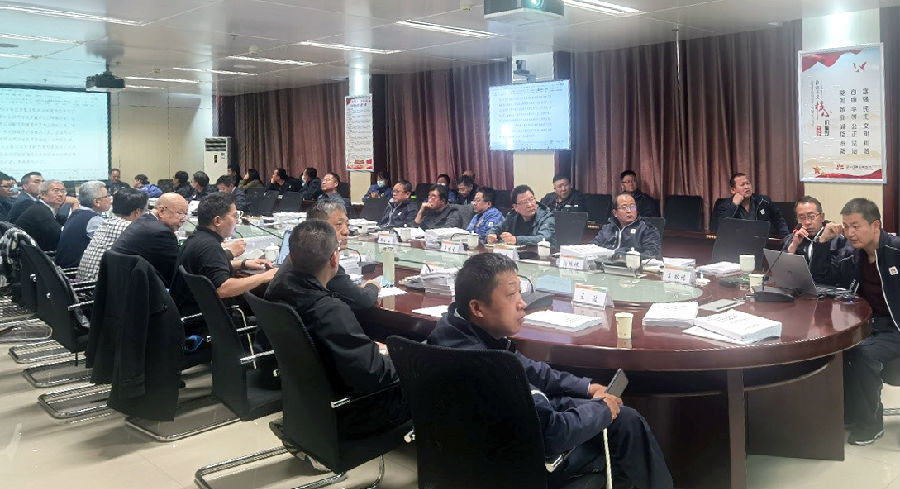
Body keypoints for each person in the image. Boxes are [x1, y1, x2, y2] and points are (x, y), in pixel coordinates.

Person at [427, 253, 673, 489]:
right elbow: (553, 433)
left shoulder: (452, 332)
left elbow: (532, 370)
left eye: (520, 292)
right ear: (477, 308)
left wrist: (586, 388)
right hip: (519, 466)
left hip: (473, 451)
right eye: (511, 295)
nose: (523, 303)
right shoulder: (492, 366)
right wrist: (602, 410)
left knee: (622, 417)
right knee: (624, 426)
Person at [265, 220, 409, 438]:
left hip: (308, 402)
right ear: (334, 258)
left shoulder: (276, 288)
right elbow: (374, 376)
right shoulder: (329, 311)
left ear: (291, 257)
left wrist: (366, 349)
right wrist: (400, 357)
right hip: (350, 411)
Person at [832, 198, 899, 446]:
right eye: (846, 226)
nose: (849, 233)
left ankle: (871, 424)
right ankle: (852, 414)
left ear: (875, 225)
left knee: (862, 353)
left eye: (856, 226)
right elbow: (826, 279)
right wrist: (821, 243)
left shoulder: (895, 251)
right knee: (841, 348)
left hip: (895, 328)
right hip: (872, 324)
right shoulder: (854, 256)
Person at [169, 193, 276, 317]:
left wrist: (243, 263)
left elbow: (206, 266)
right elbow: (223, 289)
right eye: (235, 216)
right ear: (218, 221)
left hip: (188, 310)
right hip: (206, 318)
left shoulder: (196, 238)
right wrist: (265, 276)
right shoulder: (210, 247)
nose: (237, 221)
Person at [304, 200, 381, 311]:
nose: (346, 231)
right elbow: (364, 299)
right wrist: (372, 286)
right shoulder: (324, 262)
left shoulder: (301, 253)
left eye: (347, 225)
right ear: (318, 228)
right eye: (339, 225)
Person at [111, 192, 188, 286]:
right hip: (137, 290)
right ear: (162, 211)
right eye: (180, 214)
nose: (184, 219)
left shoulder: (143, 220)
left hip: (120, 287)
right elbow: (174, 275)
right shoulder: (161, 233)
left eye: (185, 214)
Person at [77, 188, 147, 283]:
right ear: (137, 212)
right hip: (99, 287)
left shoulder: (105, 223)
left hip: (81, 284)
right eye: (145, 210)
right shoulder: (131, 228)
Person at [780, 196, 851, 285]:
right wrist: (793, 247)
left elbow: (834, 277)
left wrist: (822, 242)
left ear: (822, 217)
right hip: (798, 288)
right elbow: (780, 273)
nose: (807, 222)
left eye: (812, 216)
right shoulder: (792, 239)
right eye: (802, 217)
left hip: (828, 289)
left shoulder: (838, 239)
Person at [55, 181, 111, 268]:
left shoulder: (76, 212)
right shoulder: (94, 220)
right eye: (107, 196)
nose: (110, 199)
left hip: (62, 268)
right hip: (75, 270)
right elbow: (109, 248)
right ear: (97, 202)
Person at [713, 172, 788, 237]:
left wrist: (786, 238)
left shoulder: (764, 201)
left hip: (763, 243)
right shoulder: (724, 206)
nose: (747, 187)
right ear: (733, 190)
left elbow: (779, 221)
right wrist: (734, 205)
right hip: (737, 244)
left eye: (748, 183)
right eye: (742, 185)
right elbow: (721, 227)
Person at [592, 193, 661, 258]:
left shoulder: (647, 229)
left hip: (632, 265)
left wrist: (624, 254)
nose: (629, 211)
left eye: (632, 207)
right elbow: (594, 245)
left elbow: (652, 253)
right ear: (615, 213)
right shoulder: (608, 228)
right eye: (624, 207)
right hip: (605, 264)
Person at [487, 185, 556, 246]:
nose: (529, 205)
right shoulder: (512, 216)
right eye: (524, 202)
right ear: (516, 207)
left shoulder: (546, 216)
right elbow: (496, 229)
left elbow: (543, 238)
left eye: (531, 199)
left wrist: (516, 240)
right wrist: (492, 235)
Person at [15, 179, 67, 251]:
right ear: (43, 195)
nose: (61, 194)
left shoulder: (43, 207)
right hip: (31, 254)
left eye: (63, 191)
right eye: (56, 191)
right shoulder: (39, 211)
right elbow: (61, 235)